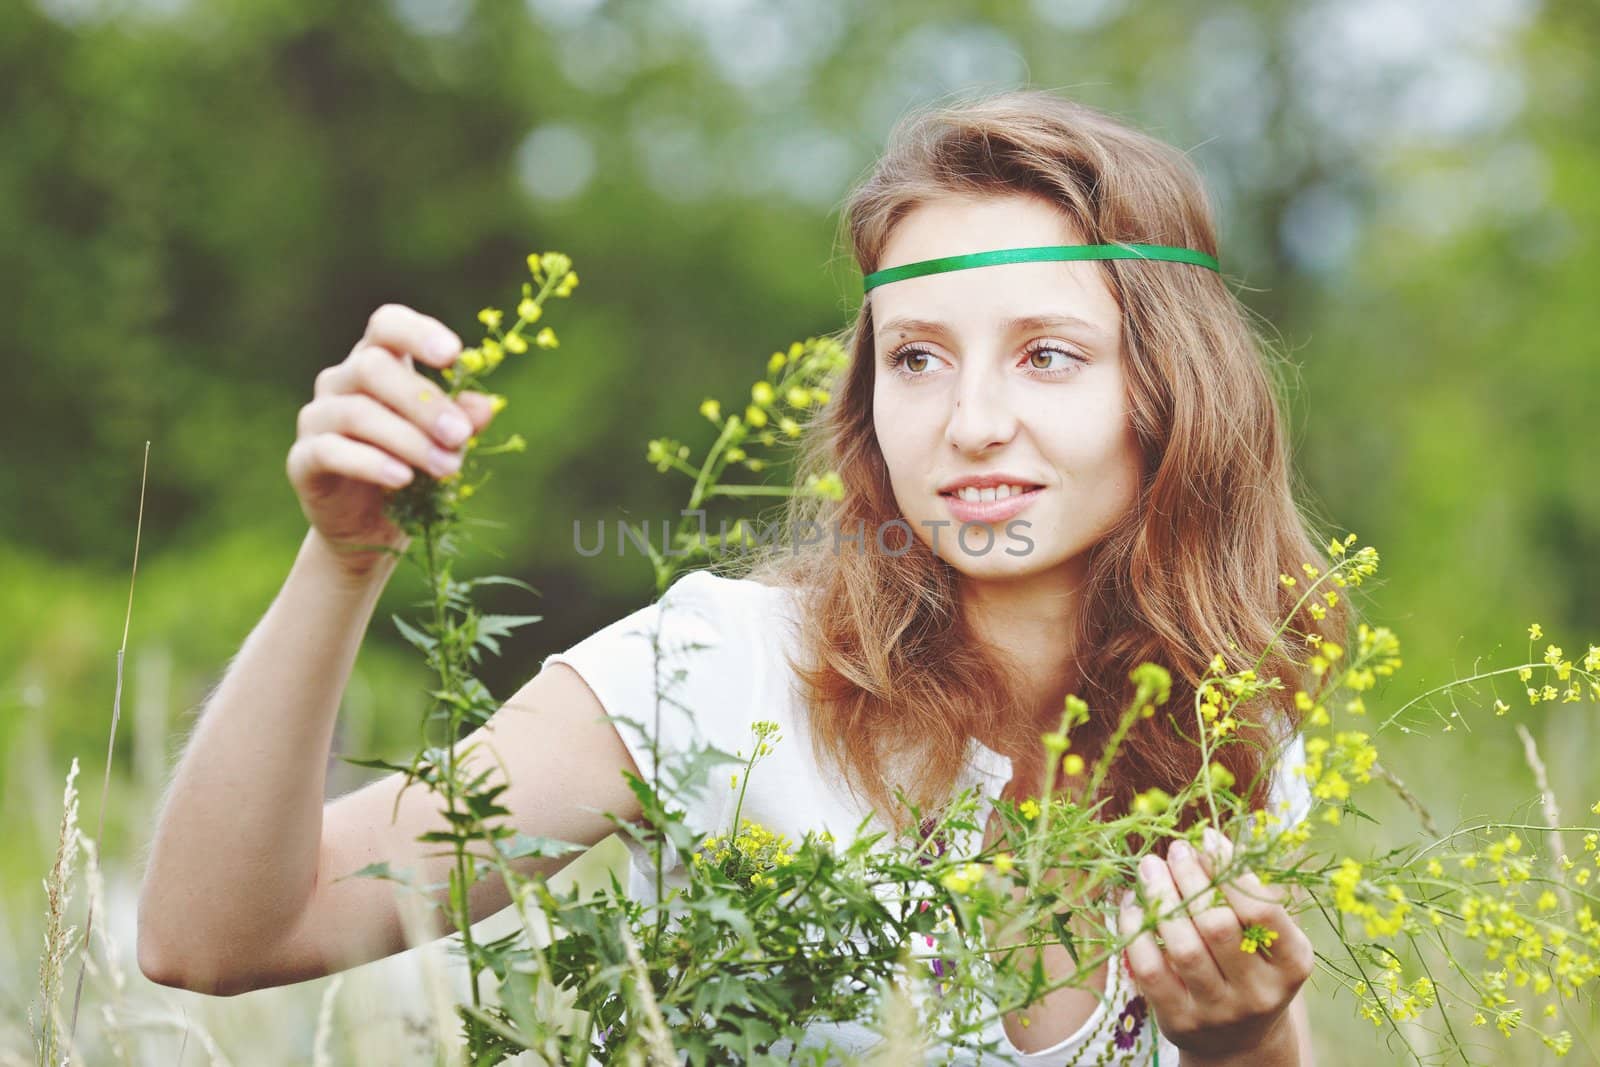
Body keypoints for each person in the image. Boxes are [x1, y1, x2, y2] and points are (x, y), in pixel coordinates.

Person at [139, 87, 1336, 1066]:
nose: (970, 421)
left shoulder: (1236, 733)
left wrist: (1246, 1042)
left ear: (1172, 392)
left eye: (1046, 355)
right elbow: (217, 937)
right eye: (915, 355)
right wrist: (345, 560)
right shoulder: (720, 670)